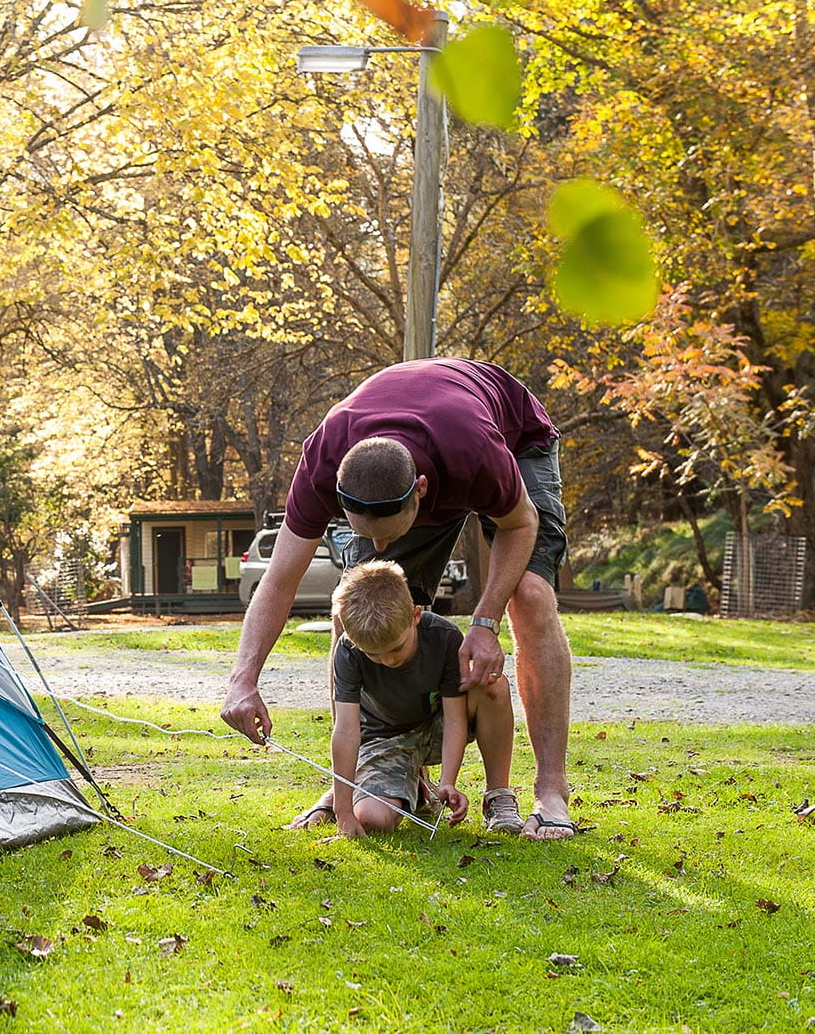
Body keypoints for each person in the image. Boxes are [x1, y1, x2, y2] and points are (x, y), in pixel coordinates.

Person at [221, 357, 579, 840]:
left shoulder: (472, 451)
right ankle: (361, 775)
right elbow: (280, 580)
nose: (383, 549)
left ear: (421, 494)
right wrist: (242, 679)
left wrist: (485, 621)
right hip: (414, 448)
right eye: (370, 535)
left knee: (532, 594)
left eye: (390, 535)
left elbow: (520, 523)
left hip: (513, 438)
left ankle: (550, 790)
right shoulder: (323, 461)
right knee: (355, 603)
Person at [284, 561, 522, 838]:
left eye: (396, 648)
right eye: (374, 655)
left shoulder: (444, 638)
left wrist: (448, 782)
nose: (388, 660)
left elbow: (455, 719)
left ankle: (498, 796)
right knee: (373, 820)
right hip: (385, 739)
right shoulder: (348, 651)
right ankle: (406, 789)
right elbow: (347, 731)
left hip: (437, 728)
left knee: (492, 685)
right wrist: (345, 812)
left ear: (415, 616)